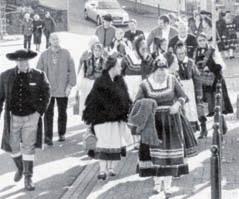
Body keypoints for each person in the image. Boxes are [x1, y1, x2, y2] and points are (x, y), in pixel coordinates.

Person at [132, 56, 193, 197]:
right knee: (155, 154)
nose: (161, 73)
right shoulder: (145, 84)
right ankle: (157, 182)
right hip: (153, 124)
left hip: (171, 122)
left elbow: (183, 96)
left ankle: (168, 185)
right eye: (159, 70)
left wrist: (177, 104)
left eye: (164, 70)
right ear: (154, 70)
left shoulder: (172, 80)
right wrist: (148, 106)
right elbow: (137, 103)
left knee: (170, 154)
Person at [0, 49, 50, 191]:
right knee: (12, 145)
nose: (22, 63)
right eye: (19, 61)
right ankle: (21, 168)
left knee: (28, 147)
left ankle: (28, 178)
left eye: (24, 60)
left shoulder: (39, 75)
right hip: (13, 118)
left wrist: (38, 113)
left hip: (31, 118)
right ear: (16, 61)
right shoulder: (6, 76)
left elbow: (47, 94)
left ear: (29, 61)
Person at [82, 55, 132, 180]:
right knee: (103, 143)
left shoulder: (120, 81)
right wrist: (89, 119)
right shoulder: (100, 81)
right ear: (112, 67)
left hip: (116, 119)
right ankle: (102, 170)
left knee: (114, 144)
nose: (121, 68)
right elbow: (92, 100)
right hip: (101, 119)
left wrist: (127, 112)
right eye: (119, 66)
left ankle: (111, 168)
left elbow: (126, 98)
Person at [37, 33, 77, 145]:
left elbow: (72, 71)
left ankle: (61, 133)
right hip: (48, 90)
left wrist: (70, 86)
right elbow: (38, 72)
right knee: (48, 113)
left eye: (57, 39)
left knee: (62, 112)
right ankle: (48, 137)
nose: (55, 41)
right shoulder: (44, 55)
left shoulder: (66, 53)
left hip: (63, 88)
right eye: (53, 39)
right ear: (49, 41)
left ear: (59, 41)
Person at [194, 32, 233, 137]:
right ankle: (212, 127)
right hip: (205, 82)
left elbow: (221, 65)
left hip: (216, 80)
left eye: (203, 40)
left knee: (218, 104)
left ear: (206, 40)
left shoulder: (213, 50)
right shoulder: (196, 52)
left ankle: (221, 126)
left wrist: (210, 67)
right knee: (210, 106)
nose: (201, 42)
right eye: (199, 41)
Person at [175, 41, 204, 133]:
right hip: (179, 88)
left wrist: (199, 93)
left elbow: (197, 78)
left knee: (191, 108)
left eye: (182, 53)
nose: (180, 56)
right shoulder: (173, 63)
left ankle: (193, 129)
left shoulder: (190, 62)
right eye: (178, 54)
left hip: (190, 88)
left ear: (185, 52)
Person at [76, 42, 105, 117]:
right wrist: (79, 86)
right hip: (88, 84)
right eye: (95, 50)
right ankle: (89, 124)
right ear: (93, 51)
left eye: (99, 50)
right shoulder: (87, 61)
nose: (97, 52)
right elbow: (81, 73)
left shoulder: (105, 62)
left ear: (102, 51)